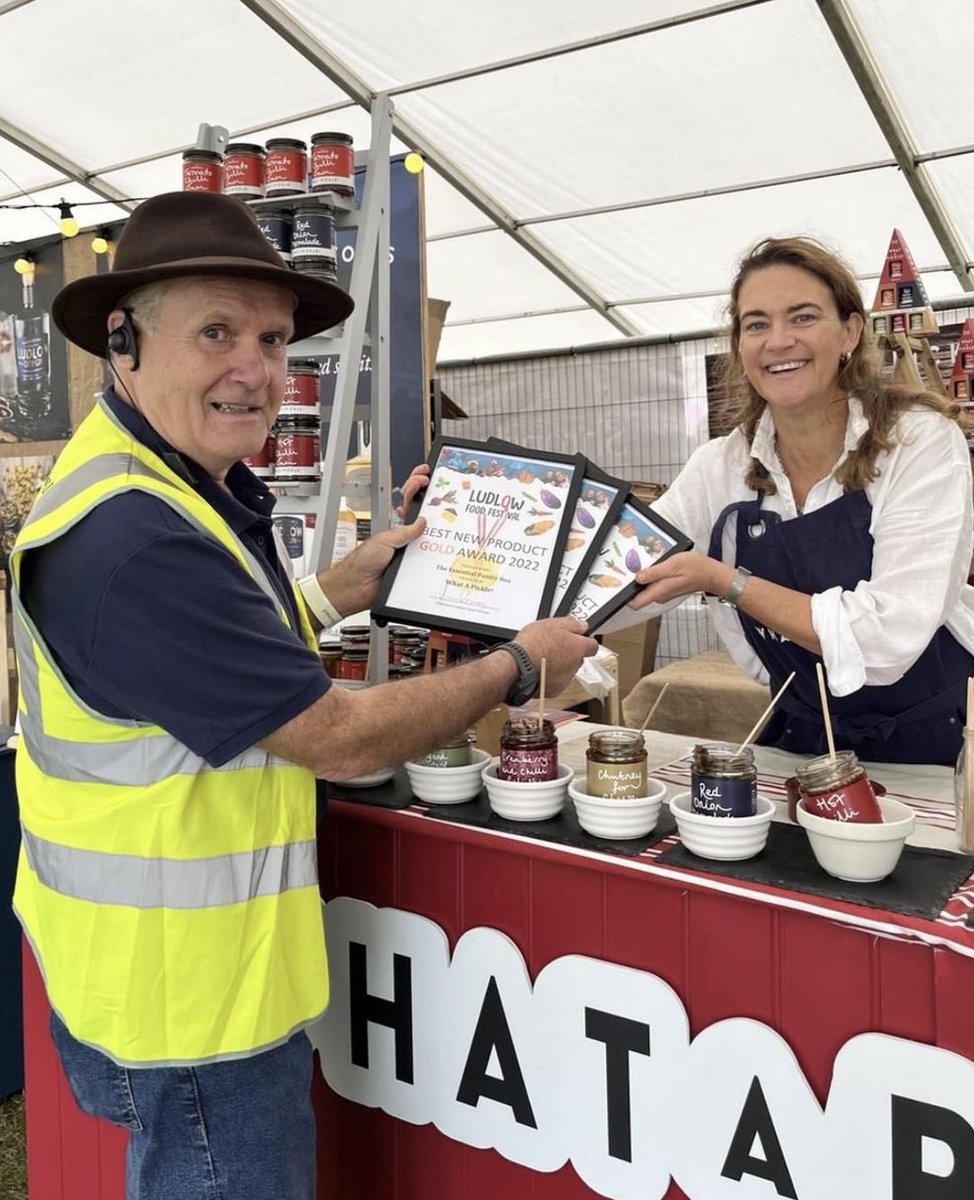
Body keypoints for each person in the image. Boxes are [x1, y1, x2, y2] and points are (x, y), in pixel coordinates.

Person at [10, 191, 596, 1200]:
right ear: (124, 344)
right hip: (194, 1001)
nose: (254, 370)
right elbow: (339, 738)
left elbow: (193, 667)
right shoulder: (136, 536)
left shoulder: (158, 483)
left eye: (273, 340)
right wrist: (521, 666)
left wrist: (339, 586)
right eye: (216, 334)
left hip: (139, 969)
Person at [626, 235, 974, 766]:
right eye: (757, 324)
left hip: (934, 742)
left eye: (804, 317)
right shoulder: (719, 466)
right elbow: (630, 572)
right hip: (802, 740)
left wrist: (726, 580)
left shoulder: (918, 442)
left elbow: (885, 639)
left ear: (850, 333)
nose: (778, 340)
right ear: (740, 345)